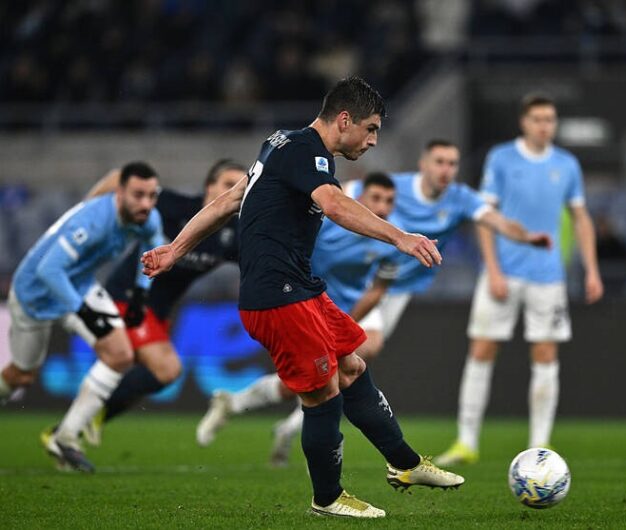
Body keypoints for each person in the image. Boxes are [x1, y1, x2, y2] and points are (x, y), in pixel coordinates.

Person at [141, 77, 470, 518]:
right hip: (277, 297)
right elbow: (332, 204)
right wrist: (400, 237)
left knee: (351, 367)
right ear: (345, 120)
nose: (374, 140)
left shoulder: (281, 144)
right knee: (321, 394)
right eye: (371, 129)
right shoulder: (304, 151)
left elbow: (229, 201)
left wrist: (174, 250)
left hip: (300, 288)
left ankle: (406, 464)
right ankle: (328, 498)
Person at [197, 140, 553, 468]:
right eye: (439, 162)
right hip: (307, 288)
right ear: (423, 163)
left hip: (366, 290)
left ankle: (280, 420)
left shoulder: (445, 205)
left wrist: (525, 237)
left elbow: (381, 287)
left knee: (351, 358)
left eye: (452, 163)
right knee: (321, 372)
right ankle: (251, 409)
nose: (446, 170)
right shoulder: (359, 195)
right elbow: (327, 203)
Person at [436, 94, 604, 466]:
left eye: (550, 119)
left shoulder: (567, 165)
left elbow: (581, 218)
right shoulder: (501, 158)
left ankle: (540, 445)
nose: (545, 125)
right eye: (538, 119)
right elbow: (485, 215)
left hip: (548, 277)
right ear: (524, 122)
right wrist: (492, 269)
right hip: (504, 272)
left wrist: (592, 269)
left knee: (545, 354)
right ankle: (466, 442)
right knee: (482, 349)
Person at [195, 172, 403, 456]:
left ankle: (287, 427)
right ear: (360, 197)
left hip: (352, 304)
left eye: (389, 201)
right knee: (310, 380)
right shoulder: (329, 219)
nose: (382, 207)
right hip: (307, 299)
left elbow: (377, 291)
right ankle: (241, 406)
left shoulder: (393, 235)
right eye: (376, 198)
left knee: (361, 353)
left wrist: (343, 327)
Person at [0, 162, 164, 473]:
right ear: (119, 193)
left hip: (79, 284)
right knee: (21, 375)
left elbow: (153, 244)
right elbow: (49, 270)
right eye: (138, 195)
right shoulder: (93, 221)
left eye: (152, 195)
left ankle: (65, 438)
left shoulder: (146, 217)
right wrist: (83, 311)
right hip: (35, 292)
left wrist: (141, 293)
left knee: (120, 355)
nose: (146, 203)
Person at [75, 160, 247, 447]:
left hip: (159, 313)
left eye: (241, 186)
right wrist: (83, 215)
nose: (236, 192)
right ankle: (82, 421)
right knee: (166, 369)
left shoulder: (235, 234)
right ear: (209, 186)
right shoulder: (175, 206)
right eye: (229, 184)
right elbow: (118, 177)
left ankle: (78, 424)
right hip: (127, 297)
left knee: (151, 375)